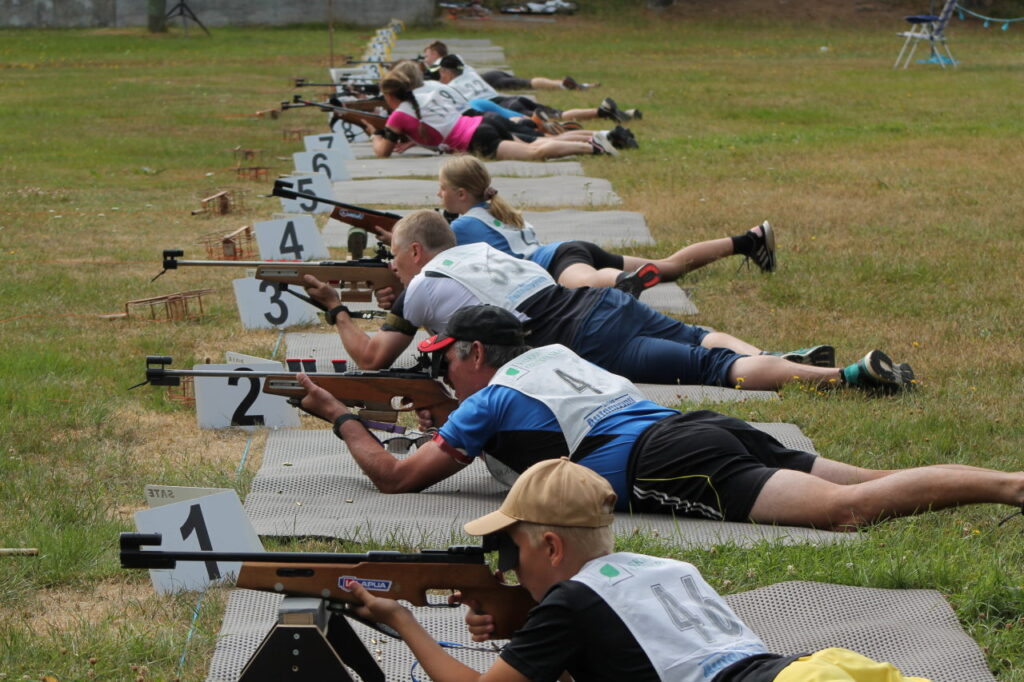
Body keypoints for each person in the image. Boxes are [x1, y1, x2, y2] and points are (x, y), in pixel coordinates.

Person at [296, 304, 1022, 529]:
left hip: (669, 462)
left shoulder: (487, 401)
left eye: (445, 362)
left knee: (847, 511)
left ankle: (1011, 487)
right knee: (868, 480)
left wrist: (339, 415)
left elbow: (395, 478)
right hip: (697, 427)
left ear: (475, 352)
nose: (441, 374)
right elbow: (535, 431)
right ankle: (1003, 482)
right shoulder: (552, 357)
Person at [342, 457, 933, 681]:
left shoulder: (570, 602)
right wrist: (529, 637)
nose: (509, 569)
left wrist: (401, 621)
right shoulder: (665, 565)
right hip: (819, 669)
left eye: (510, 552)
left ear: (551, 547)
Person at [302, 210, 913, 390]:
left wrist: (336, 308)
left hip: (582, 339)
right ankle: (786, 360)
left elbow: (373, 358)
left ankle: (845, 377)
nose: (392, 266)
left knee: (713, 369)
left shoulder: (419, 288)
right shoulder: (478, 251)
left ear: (414, 253)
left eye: (394, 257)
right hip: (599, 306)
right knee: (701, 339)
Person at [435, 155, 776, 296]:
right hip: (570, 250)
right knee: (669, 267)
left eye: (443, 188)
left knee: (586, 285)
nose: (439, 194)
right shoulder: (497, 209)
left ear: (461, 194)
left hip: (555, 262)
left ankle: (623, 283)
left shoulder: (462, 227)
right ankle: (748, 240)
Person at [370, 68, 634, 160]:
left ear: (390, 96)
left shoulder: (398, 116)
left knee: (536, 151)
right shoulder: (424, 95)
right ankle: (602, 135)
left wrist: (374, 135)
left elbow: (383, 152)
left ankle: (594, 147)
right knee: (542, 140)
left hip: (476, 138)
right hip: (482, 121)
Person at [437, 54, 639, 125]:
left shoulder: (451, 88)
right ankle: (614, 113)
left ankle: (602, 113)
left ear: (446, 72)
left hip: (501, 107)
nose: (439, 76)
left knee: (551, 122)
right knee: (557, 113)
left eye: (440, 72)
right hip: (513, 99)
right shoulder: (471, 73)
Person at [423, 40, 599, 91]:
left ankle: (565, 86)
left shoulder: (438, 67)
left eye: (427, 54)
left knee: (528, 84)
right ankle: (575, 85)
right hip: (490, 76)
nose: (425, 58)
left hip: (488, 81)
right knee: (528, 82)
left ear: (436, 54)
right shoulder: (454, 58)